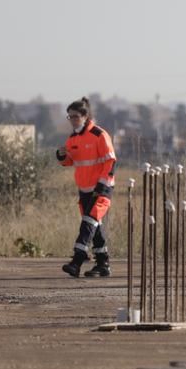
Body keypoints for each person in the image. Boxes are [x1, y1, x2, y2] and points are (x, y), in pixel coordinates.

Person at [56, 97, 117, 278]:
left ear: (85, 116)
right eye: (69, 117)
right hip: (84, 189)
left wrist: (101, 185)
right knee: (94, 226)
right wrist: (61, 156)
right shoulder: (72, 139)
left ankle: (77, 260)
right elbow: (69, 162)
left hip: (101, 188)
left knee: (88, 223)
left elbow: (110, 162)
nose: (72, 120)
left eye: (75, 116)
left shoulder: (99, 135)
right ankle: (102, 263)